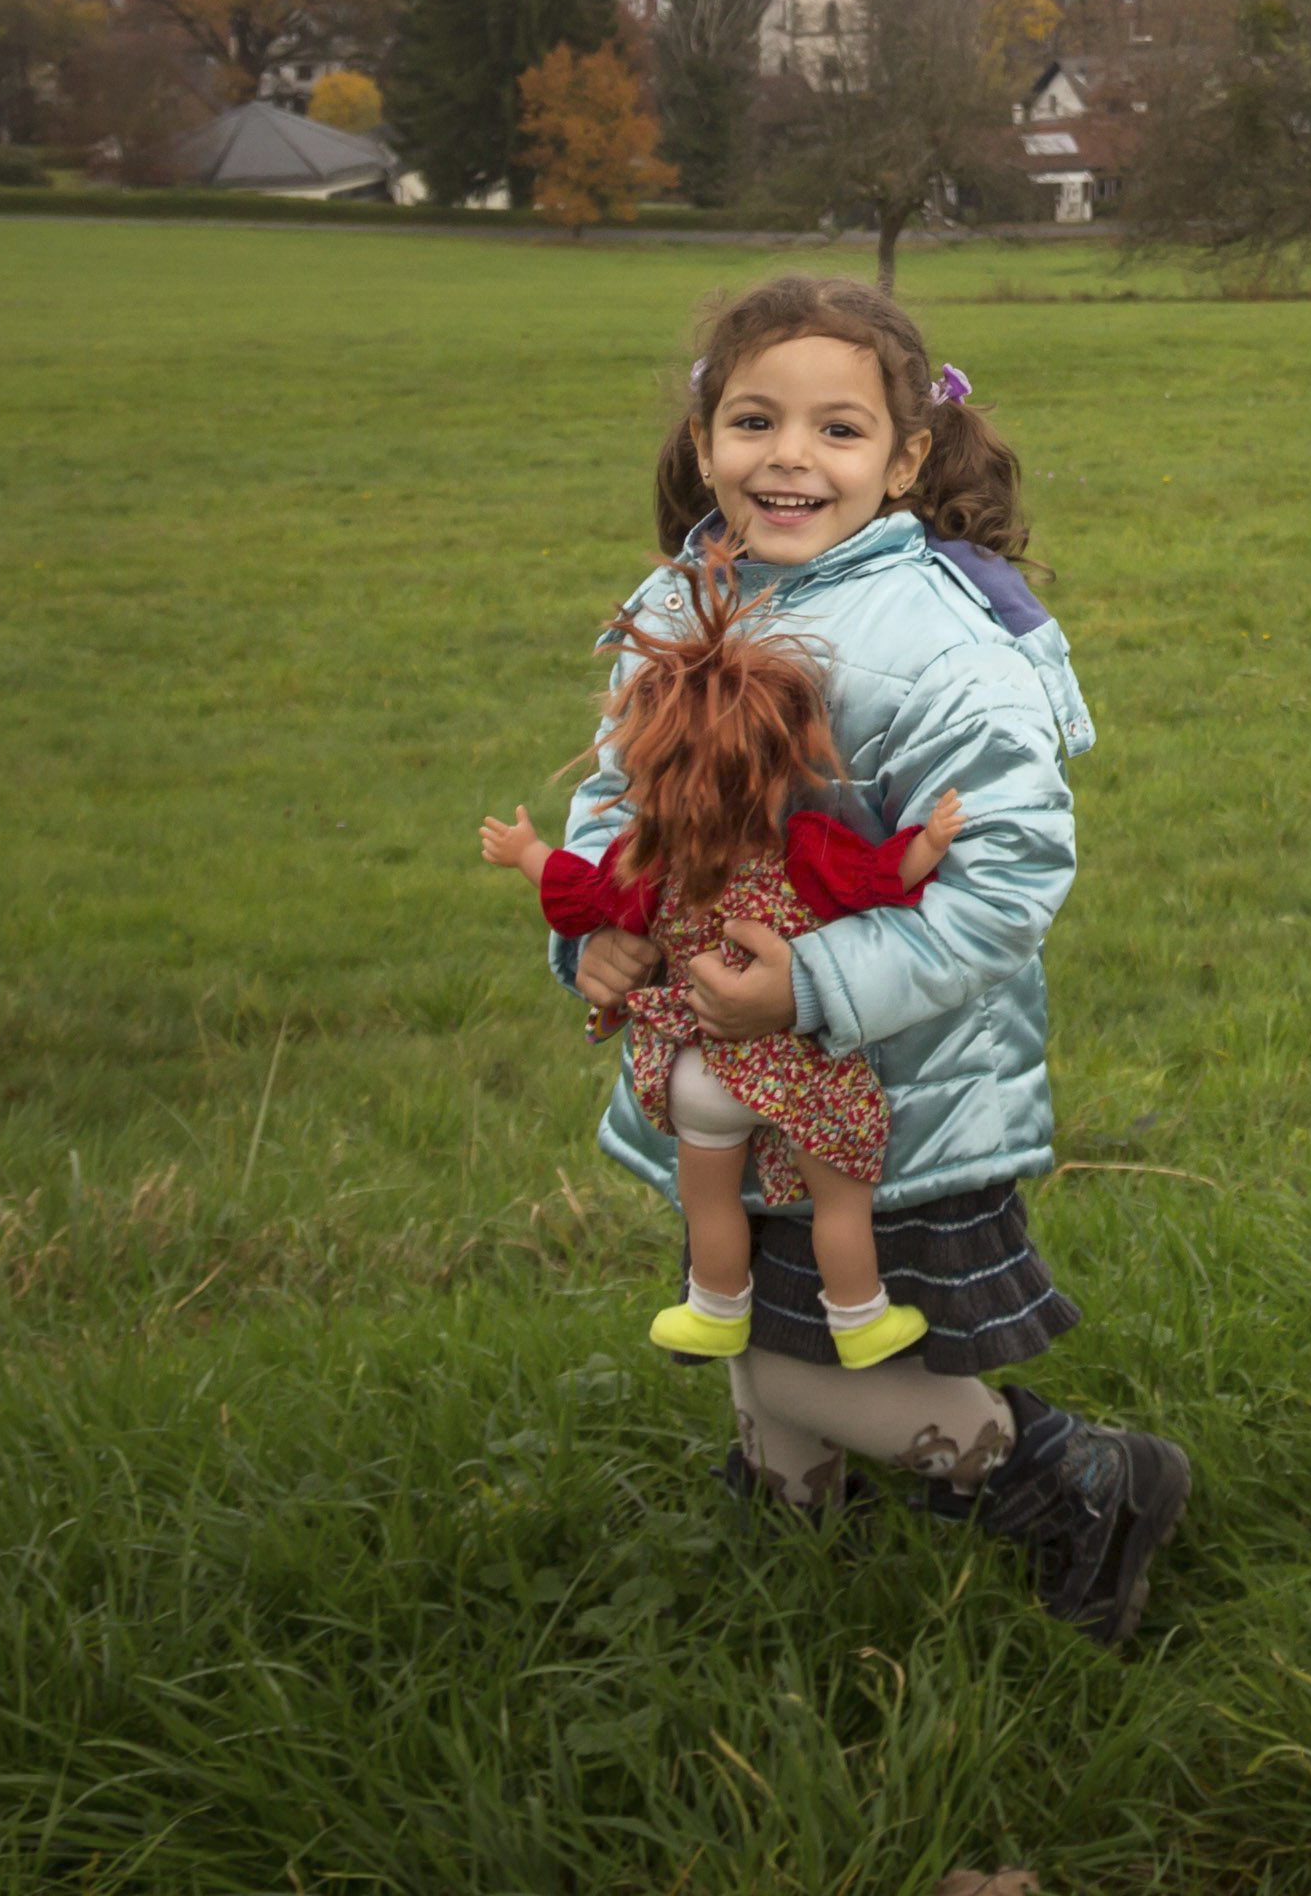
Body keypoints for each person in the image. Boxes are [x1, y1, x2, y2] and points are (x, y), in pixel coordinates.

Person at [544, 272, 1193, 1638]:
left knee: (811, 1351)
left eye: (837, 431)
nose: (788, 457)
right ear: (706, 434)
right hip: (726, 1068)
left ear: (905, 460)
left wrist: (816, 986)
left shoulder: (942, 648)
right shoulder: (678, 598)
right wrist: (601, 925)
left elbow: (1010, 877)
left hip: (887, 1087)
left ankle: (1077, 1483)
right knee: (749, 1310)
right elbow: (617, 799)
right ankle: (788, 1534)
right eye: (753, 420)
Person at [477, 590, 968, 1370]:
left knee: (707, 1197)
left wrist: (527, 852)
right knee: (840, 1198)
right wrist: (929, 845)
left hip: (698, 1066)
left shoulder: (648, 860)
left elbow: (581, 892)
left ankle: (712, 1307)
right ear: (780, 771)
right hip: (795, 1063)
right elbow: (877, 880)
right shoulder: (804, 847)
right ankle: (860, 1316)